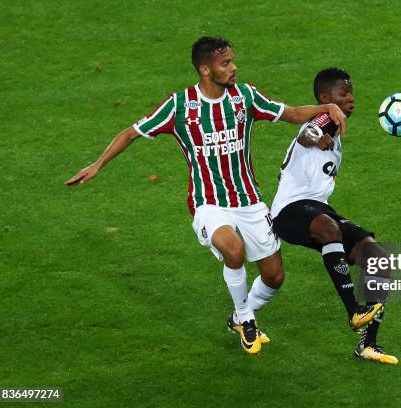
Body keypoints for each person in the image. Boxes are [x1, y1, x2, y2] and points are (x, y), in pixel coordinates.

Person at [65, 37, 346, 355]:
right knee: (233, 250)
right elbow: (132, 132)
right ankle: (245, 319)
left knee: (274, 276)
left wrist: (326, 107)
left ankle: (238, 316)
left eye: (232, 60)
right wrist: (98, 164)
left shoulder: (245, 97)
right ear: (205, 69)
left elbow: (292, 113)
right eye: (225, 63)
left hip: (249, 201)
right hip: (208, 202)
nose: (234, 67)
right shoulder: (180, 106)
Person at [271, 68, 398, 364]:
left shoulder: (336, 134)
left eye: (352, 92)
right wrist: (317, 137)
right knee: (329, 229)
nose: (351, 98)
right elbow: (307, 133)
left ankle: (368, 344)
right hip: (289, 210)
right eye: (344, 94)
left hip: (317, 209)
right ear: (326, 99)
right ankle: (353, 309)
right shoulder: (326, 119)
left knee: (377, 256)